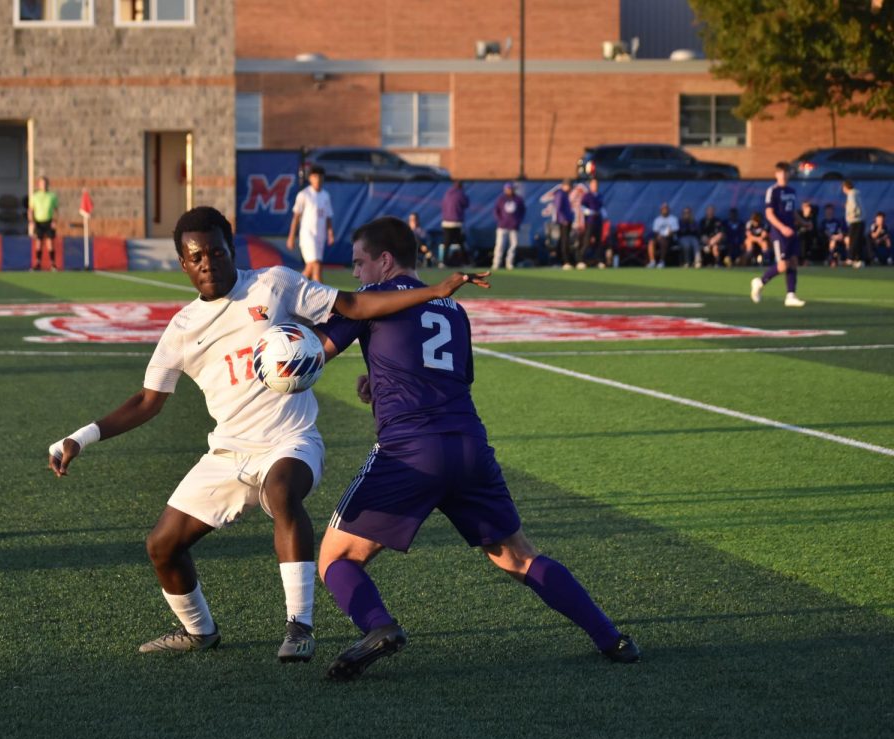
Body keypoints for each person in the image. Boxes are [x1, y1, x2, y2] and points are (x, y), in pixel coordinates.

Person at [47, 206, 481, 662]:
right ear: (183, 263)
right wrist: (81, 437)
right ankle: (200, 632)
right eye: (196, 257)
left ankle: (300, 627)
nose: (208, 263)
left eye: (216, 251)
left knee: (281, 493)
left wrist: (433, 291)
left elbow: (352, 305)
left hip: (291, 439)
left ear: (232, 249)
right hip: (229, 450)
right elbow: (146, 402)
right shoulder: (181, 329)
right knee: (162, 545)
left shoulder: (273, 283)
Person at [312, 216, 639, 680]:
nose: (357, 275)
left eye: (360, 263)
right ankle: (612, 638)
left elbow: (311, 354)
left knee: (337, 559)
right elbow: (452, 376)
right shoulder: (451, 309)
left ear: (385, 261)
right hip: (469, 446)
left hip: (410, 452)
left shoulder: (369, 301)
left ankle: (378, 626)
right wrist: (379, 381)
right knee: (519, 557)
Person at [750, 162, 805, 307]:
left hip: (791, 230)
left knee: (793, 262)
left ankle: (790, 295)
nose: (784, 175)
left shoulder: (792, 191)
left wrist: (804, 222)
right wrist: (782, 228)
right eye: (781, 172)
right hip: (779, 232)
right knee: (782, 266)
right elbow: (769, 214)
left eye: (786, 172)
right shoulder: (773, 191)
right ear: (776, 174)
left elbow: (792, 212)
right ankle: (760, 282)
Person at [287, 166, 334, 283]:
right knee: (316, 264)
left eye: (320, 177)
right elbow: (296, 217)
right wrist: (291, 237)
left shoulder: (325, 195)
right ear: (310, 178)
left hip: (320, 236)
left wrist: (330, 233)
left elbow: (327, 216)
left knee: (310, 267)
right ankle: (321, 295)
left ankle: (294, 286)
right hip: (307, 235)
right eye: (315, 177)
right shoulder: (304, 195)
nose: (318, 179)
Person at [29, 176, 60, 271]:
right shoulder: (35, 196)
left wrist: (54, 221)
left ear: (47, 184)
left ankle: (53, 264)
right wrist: (31, 222)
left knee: (50, 242)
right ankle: (37, 263)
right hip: (38, 222)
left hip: (49, 221)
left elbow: (56, 210)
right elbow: (31, 210)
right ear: (39, 184)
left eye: (45, 183)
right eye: (42, 183)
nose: (44, 185)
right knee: (38, 242)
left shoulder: (52, 196)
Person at [493, 181, 525, 270]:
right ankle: (496, 263)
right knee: (499, 245)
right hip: (502, 226)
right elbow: (496, 211)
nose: (509, 190)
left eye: (510, 189)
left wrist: (518, 221)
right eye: (507, 189)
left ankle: (509, 263)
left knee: (514, 245)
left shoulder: (518, 199)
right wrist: (500, 221)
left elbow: (522, 211)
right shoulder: (501, 199)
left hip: (513, 227)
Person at [576, 178, 607, 269]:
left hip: (598, 222)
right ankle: (580, 260)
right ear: (590, 185)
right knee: (586, 241)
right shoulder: (587, 196)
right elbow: (582, 207)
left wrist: (604, 215)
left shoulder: (599, 196)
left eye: (596, 185)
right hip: (590, 222)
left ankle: (599, 261)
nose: (595, 186)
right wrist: (590, 212)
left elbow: (602, 207)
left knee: (598, 242)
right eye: (593, 185)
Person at [439, 181, 471, 266]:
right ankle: (466, 262)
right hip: (457, 223)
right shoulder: (460, 194)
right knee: (462, 243)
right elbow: (466, 203)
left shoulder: (447, 194)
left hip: (446, 222)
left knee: (447, 244)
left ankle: (443, 262)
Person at [647, 202, 678, 268]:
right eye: (663, 209)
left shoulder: (673, 219)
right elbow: (655, 231)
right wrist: (658, 236)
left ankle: (662, 261)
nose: (665, 210)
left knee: (664, 240)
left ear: (668, 210)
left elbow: (674, 231)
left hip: (670, 239)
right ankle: (652, 262)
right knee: (651, 242)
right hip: (659, 238)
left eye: (666, 209)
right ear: (661, 210)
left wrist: (669, 233)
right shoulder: (657, 220)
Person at [843, 180, 866, 268]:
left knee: (854, 240)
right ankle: (859, 260)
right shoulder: (856, 194)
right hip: (860, 220)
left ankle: (851, 259)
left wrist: (851, 216)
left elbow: (853, 206)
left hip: (855, 221)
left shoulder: (851, 194)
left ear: (845, 187)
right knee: (858, 241)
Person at [553, 178, 575, 269]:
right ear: (565, 186)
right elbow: (558, 208)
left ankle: (558, 260)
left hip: (567, 220)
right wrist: (563, 219)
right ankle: (565, 261)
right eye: (569, 186)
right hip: (564, 222)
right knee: (564, 241)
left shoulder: (565, 194)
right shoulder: (560, 193)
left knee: (563, 240)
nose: (570, 188)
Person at [821, 204, 846, 268]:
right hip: (827, 240)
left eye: (831, 210)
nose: (829, 212)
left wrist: (839, 236)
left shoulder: (837, 221)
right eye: (828, 210)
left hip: (837, 238)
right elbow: (826, 232)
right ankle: (831, 260)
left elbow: (840, 232)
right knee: (833, 242)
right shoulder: (823, 222)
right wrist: (833, 237)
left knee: (846, 240)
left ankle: (847, 259)